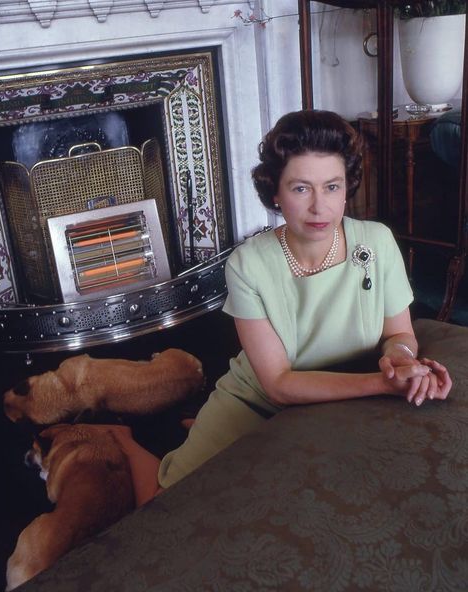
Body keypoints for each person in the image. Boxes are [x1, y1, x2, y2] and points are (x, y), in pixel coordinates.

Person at [158, 109, 452, 489]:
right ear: (275, 194)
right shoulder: (247, 264)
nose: (320, 207)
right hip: (256, 403)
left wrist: (402, 361)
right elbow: (278, 384)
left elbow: (400, 334)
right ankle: (123, 437)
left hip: (345, 400)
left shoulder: (376, 241)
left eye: (332, 186)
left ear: (347, 188)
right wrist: (381, 383)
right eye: (301, 188)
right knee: (168, 495)